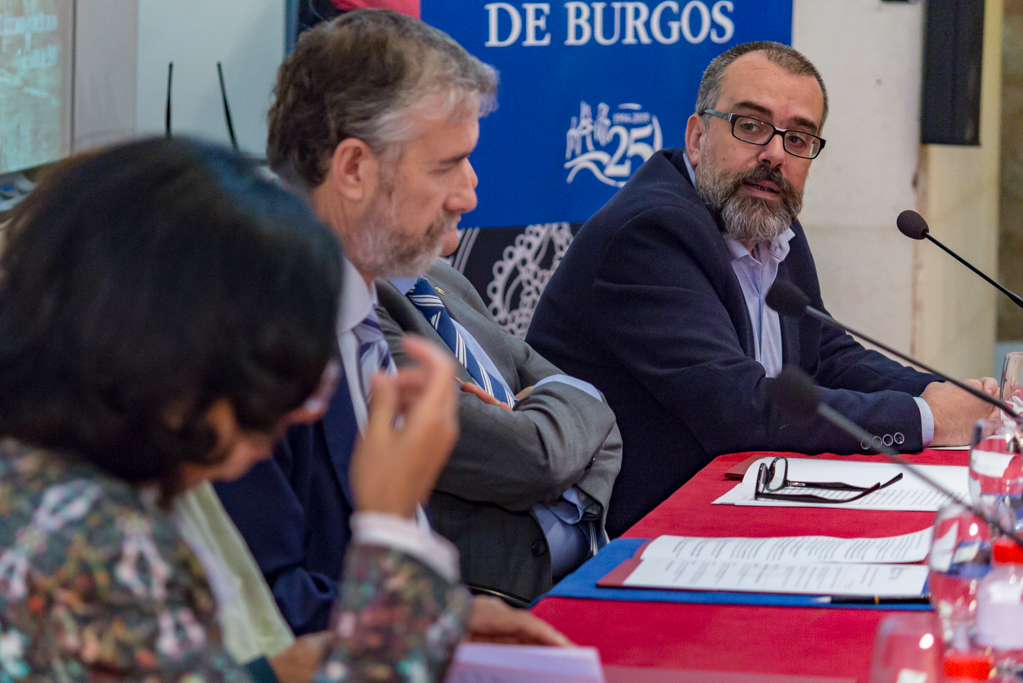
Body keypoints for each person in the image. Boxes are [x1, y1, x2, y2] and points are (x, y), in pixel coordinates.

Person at [0, 136, 478, 681]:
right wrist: (394, 537)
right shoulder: (95, 544)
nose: (298, 411)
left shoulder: (46, 484)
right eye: (276, 373)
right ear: (173, 356)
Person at [526, 41, 998, 536]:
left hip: (738, 503)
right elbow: (740, 409)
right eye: (751, 126)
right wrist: (926, 418)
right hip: (633, 532)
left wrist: (948, 396)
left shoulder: (766, 219)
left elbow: (828, 355)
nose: (775, 154)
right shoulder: (650, 233)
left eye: (799, 138)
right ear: (696, 136)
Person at [215, 8, 575, 640]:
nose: (469, 192)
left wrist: (451, 618)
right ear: (353, 169)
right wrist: (433, 626)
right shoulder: (251, 336)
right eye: (447, 165)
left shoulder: (364, 299)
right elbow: (268, 609)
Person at [375, 229, 622, 604]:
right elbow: (533, 459)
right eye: (444, 170)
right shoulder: (361, 308)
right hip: (486, 602)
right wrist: (548, 429)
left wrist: (545, 421)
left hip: (579, 573)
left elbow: (596, 407)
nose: (468, 193)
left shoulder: (441, 278)